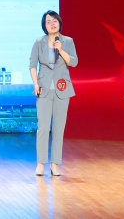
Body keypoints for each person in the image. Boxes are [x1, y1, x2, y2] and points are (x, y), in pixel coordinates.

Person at [30, 10, 78, 177]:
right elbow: (32, 65)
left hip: (62, 89)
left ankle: (55, 164)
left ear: (59, 23)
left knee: (59, 128)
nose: (52, 24)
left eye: (54, 21)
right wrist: (36, 83)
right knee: (43, 127)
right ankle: (40, 164)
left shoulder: (68, 41)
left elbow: (74, 62)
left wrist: (61, 50)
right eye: (48, 21)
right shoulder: (39, 42)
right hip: (43, 89)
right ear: (44, 25)